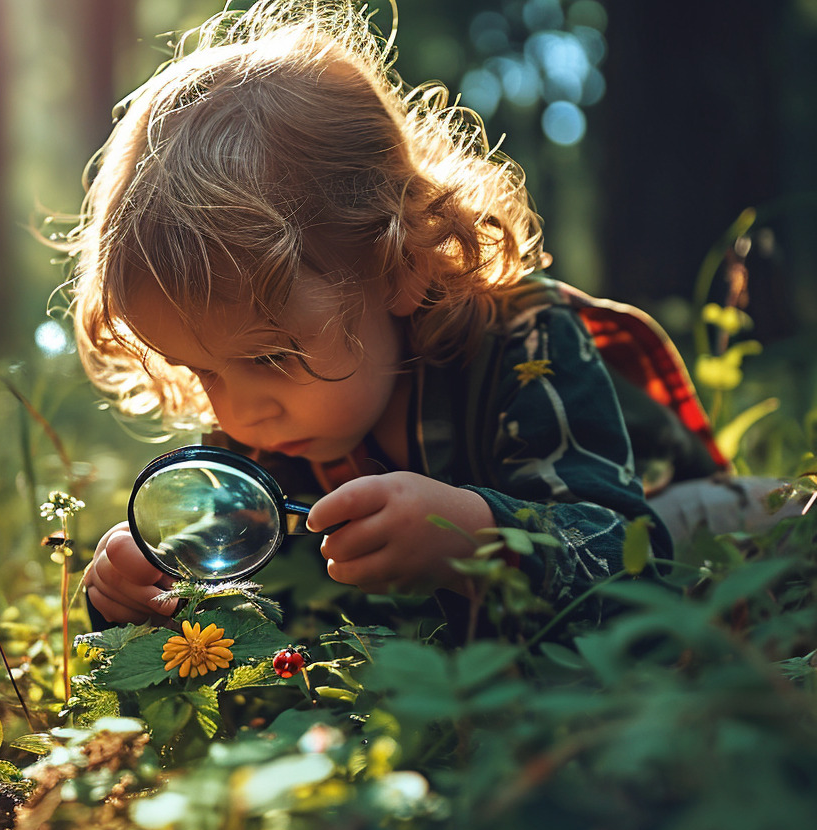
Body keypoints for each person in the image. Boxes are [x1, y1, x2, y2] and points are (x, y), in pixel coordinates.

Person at [56, 0, 785, 633]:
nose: (241, 412)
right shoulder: (276, 433)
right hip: (509, 629)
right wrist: (137, 590)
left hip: (666, 515)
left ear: (399, 265)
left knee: (782, 529)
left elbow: (627, 550)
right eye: (202, 371)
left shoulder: (522, 341)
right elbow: (245, 593)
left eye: (271, 357)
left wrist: (476, 535)